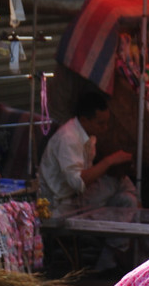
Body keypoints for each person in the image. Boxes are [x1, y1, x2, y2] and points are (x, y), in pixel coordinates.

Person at [38, 89, 138, 272]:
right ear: (84, 120)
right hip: (61, 205)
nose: (104, 128)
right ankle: (116, 254)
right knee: (122, 185)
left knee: (128, 199)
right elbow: (78, 182)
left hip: (79, 198)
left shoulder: (87, 136)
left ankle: (110, 256)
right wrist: (110, 161)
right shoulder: (68, 138)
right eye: (101, 123)